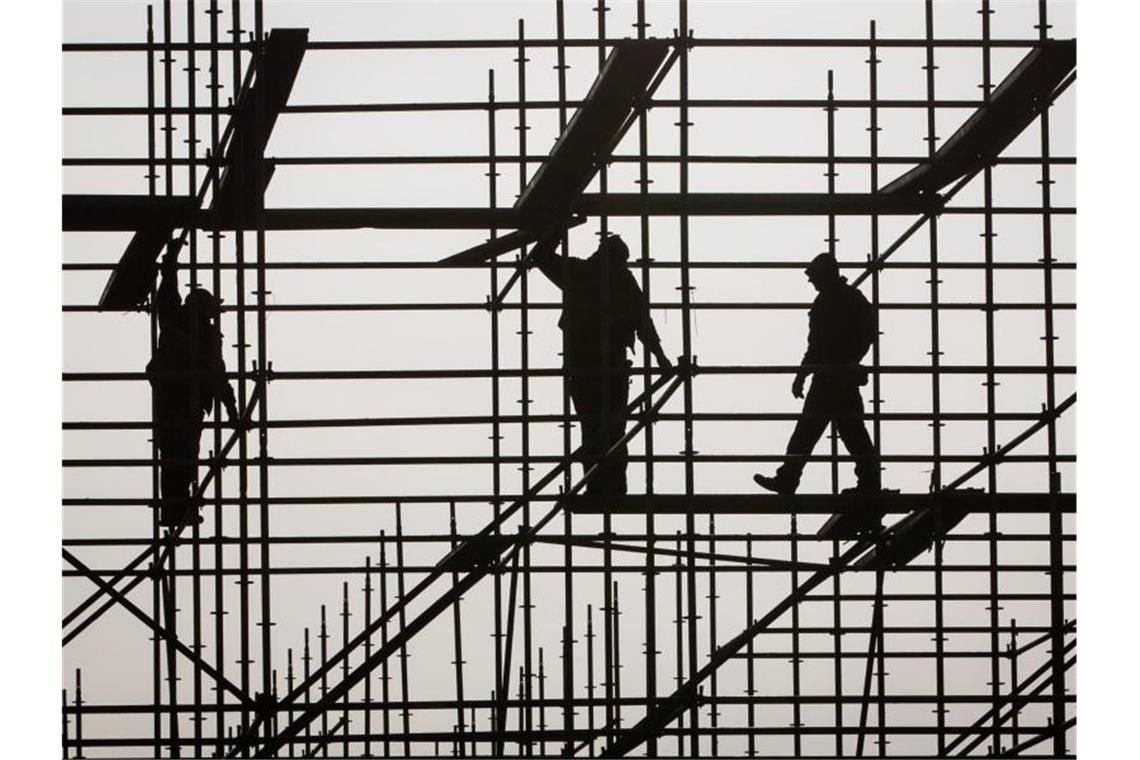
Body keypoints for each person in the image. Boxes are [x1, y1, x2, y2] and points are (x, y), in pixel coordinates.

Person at [530, 233, 672, 496]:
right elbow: (643, 323)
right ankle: (613, 486)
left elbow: (540, 257)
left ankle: (598, 486)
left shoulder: (581, 273)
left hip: (586, 367)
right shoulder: (617, 279)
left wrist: (555, 231)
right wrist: (660, 358)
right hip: (607, 367)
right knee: (613, 428)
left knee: (594, 427)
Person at [753, 253, 881, 495]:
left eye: (814, 277)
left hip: (828, 378)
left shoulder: (826, 303)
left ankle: (788, 479)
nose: (812, 282)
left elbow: (816, 347)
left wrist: (802, 375)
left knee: (807, 433)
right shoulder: (852, 299)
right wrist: (852, 359)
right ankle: (869, 483)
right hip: (841, 377)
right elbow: (867, 332)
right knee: (853, 434)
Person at [147, 246, 240, 527]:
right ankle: (174, 508)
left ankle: (177, 507)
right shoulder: (181, 322)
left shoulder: (202, 332)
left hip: (186, 402)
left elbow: (218, 374)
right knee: (179, 456)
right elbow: (167, 297)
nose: (214, 315)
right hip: (177, 400)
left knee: (182, 457)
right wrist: (170, 263)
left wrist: (231, 408)